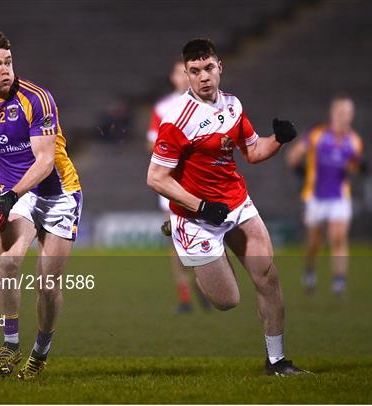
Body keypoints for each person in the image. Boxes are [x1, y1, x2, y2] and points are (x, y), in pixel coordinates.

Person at [147, 38, 308, 376]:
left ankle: (277, 362)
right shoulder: (177, 118)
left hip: (235, 203)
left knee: (268, 277)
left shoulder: (233, 105)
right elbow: (156, 178)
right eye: (195, 71)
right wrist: (201, 207)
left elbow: (253, 152)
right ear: (187, 76)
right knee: (227, 300)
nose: (203, 76)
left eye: (208, 68)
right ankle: (180, 234)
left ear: (220, 67)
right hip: (197, 216)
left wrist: (278, 140)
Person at [0, 31, 82, 380]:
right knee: (9, 263)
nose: (5, 70)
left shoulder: (37, 99)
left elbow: (43, 163)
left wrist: (9, 195)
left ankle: (39, 354)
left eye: (8, 62)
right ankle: (10, 345)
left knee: (47, 283)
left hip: (60, 194)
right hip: (19, 196)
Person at [147, 59, 211, 313]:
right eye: (180, 72)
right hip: (172, 182)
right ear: (174, 78)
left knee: (204, 237)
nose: (184, 77)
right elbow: (152, 142)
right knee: (176, 240)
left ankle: (206, 288)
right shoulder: (164, 108)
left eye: (188, 72)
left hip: (202, 181)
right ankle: (185, 297)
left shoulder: (209, 104)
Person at [287, 95, 363, 295]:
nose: (344, 116)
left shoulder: (354, 141)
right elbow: (294, 156)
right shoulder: (318, 134)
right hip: (315, 195)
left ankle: (339, 282)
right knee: (314, 241)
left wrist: (356, 168)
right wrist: (302, 172)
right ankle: (310, 271)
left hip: (339, 195)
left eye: (348, 112)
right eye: (341, 112)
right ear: (333, 113)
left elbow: (354, 168)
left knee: (338, 238)